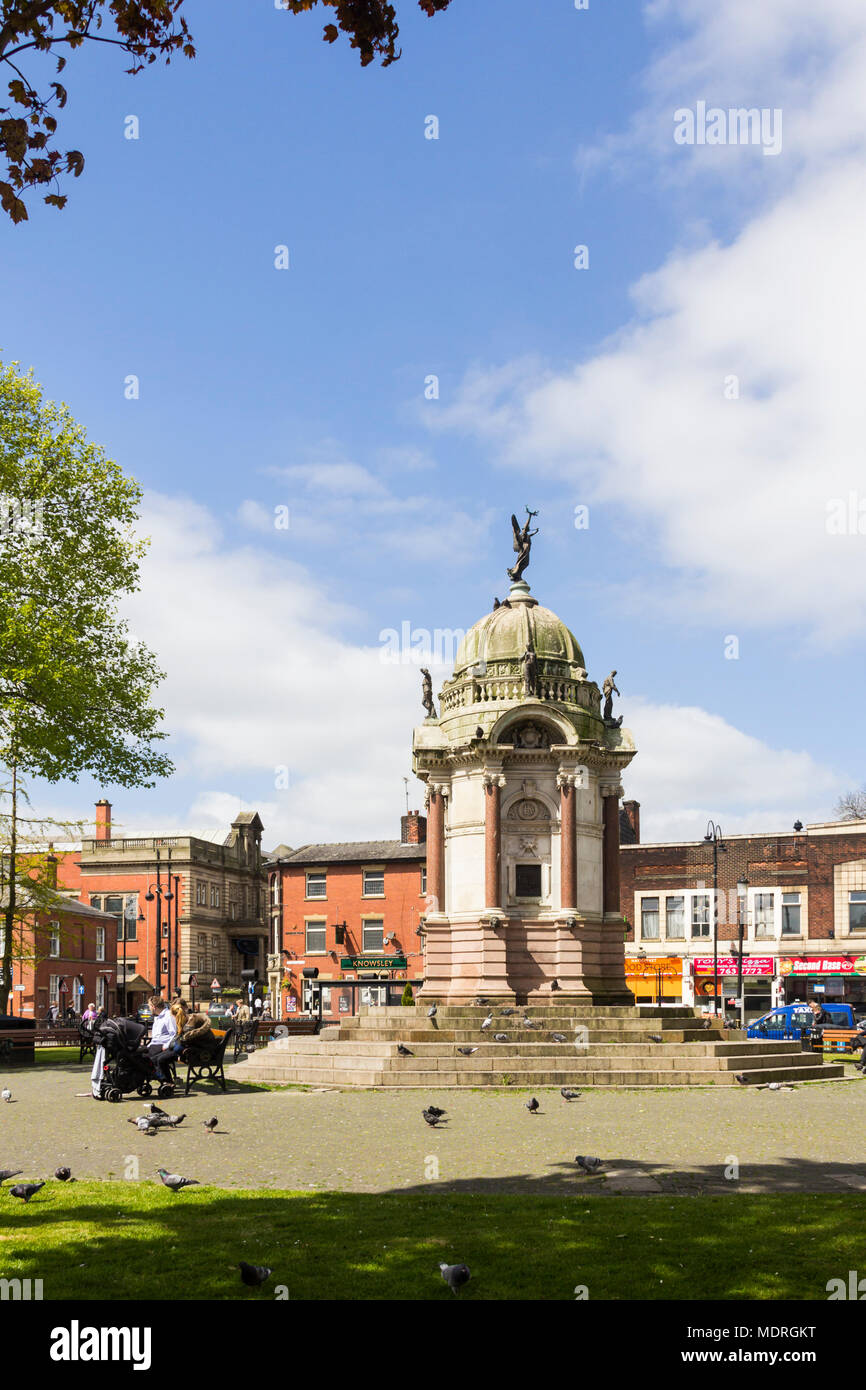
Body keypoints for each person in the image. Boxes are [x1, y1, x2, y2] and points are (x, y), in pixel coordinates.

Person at [144, 996, 178, 1077]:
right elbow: (156, 1037)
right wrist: (148, 1046)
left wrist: (166, 1046)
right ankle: (152, 1076)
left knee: (145, 1058)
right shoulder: (158, 1017)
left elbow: (174, 1034)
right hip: (154, 1045)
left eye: (149, 1006)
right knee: (139, 1055)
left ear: (153, 1007)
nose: (149, 1009)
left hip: (163, 1046)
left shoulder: (168, 1016)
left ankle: (162, 1079)